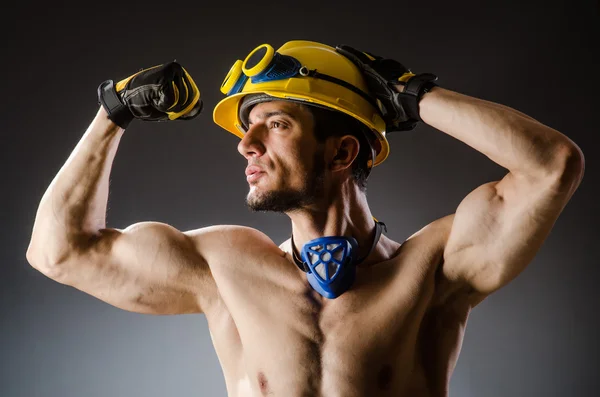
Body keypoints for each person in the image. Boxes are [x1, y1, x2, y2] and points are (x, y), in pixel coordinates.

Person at [26, 40, 584, 396]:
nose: (247, 144)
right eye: (249, 127)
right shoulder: (223, 266)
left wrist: (415, 95)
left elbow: (551, 167)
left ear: (342, 154)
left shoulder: (433, 269)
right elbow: (58, 251)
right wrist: (112, 114)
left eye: (275, 124)